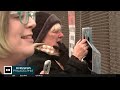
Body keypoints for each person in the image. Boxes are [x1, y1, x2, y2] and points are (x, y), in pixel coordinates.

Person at [27, 12, 91, 75]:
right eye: (55, 31)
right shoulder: (35, 62)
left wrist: (88, 59)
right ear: (41, 37)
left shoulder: (60, 53)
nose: (61, 35)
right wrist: (76, 58)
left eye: (60, 31)